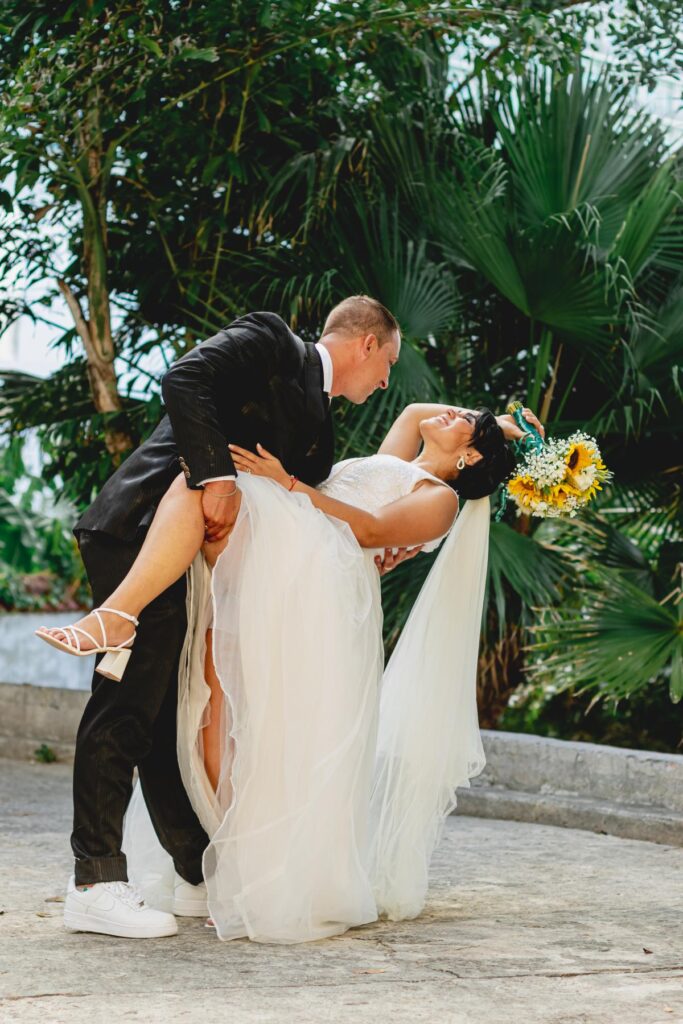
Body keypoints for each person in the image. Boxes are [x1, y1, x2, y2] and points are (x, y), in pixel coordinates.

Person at [40, 381, 543, 940]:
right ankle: (221, 856)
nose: (451, 413)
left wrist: (285, 482)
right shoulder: (396, 459)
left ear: (470, 456)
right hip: (289, 552)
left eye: (465, 423)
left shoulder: (441, 500)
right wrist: (505, 425)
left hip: (316, 587)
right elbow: (415, 411)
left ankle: (120, 615)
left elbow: (371, 529)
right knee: (210, 706)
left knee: (253, 724)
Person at [35, 296, 401, 939]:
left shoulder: (322, 430)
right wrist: (218, 478)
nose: (386, 383)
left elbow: (299, 507)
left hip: (192, 568)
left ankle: (191, 872)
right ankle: (93, 882)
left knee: (163, 714)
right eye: (388, 364)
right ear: (366, 344)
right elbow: (184, 378)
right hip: (138, 530)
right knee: (125, 706)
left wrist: (366, 554)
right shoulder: (270, 340)